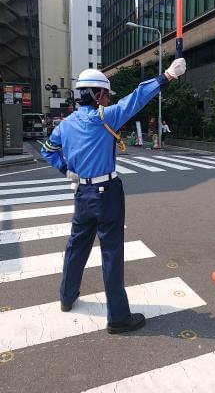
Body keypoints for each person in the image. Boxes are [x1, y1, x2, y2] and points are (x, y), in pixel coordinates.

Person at [41, 58, 186, 334]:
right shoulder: (105, 117)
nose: (108, 99)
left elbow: (48, 149)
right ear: (96, 94)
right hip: (107, 194)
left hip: (82, 192)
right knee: (111, 252)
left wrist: (67, 170)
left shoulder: (66, 124)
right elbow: (137, 98)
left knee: (76, 247)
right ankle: (118, 317)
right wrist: (167, 75)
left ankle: (67, 297)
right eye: (106, 94)